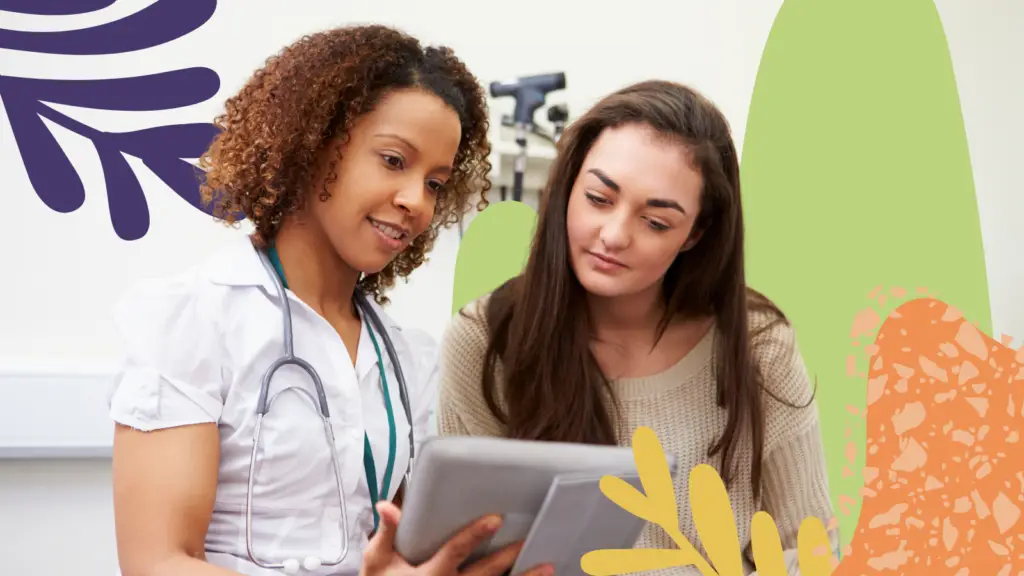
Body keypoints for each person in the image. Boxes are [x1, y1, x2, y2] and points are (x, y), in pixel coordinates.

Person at [108, 24, 549, 576]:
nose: (415, 200)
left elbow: (400, 549)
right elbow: (158, 564)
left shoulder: (406, 358)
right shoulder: (193, 319)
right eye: (393, 160)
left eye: (436, 183)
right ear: (312, 144)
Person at [437, 80, 840, 574]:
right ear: (568, 187)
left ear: (695, 233)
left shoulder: (758, 347)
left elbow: (809, 549)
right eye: (599, 198)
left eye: (655, 222)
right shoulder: (485, 340)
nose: (613, 235)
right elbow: (468, 551)